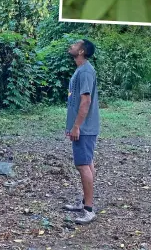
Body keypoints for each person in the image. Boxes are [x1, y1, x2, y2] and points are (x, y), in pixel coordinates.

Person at [63, 39, 100, 224]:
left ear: (81, 51)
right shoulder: (82, 69)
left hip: (84, 128)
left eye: (76, 44)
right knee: (87, 163)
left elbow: (86, 102)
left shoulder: (85, 71)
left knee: (83, 165)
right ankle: (85, 202)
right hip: (83, 127)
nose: (72, 45)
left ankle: (89, 210)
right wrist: (71, 126)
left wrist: (77, 126)